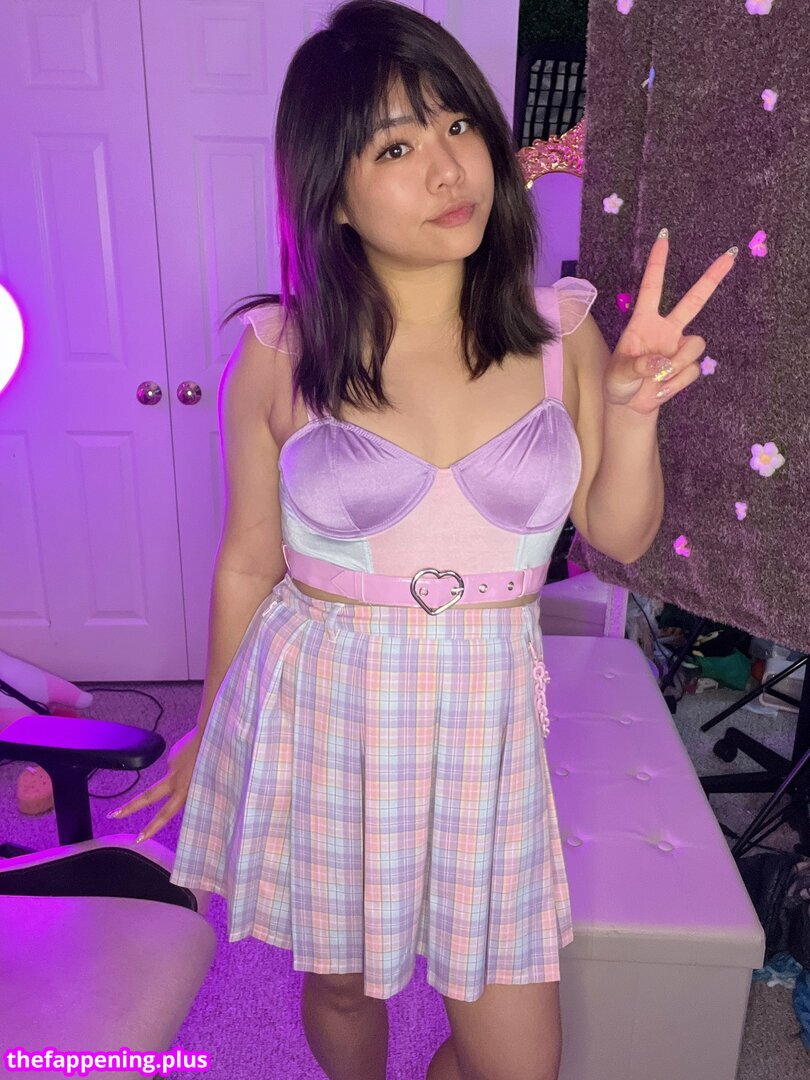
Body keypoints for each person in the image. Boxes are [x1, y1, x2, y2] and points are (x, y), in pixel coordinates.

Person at [108, 2, 737, 1078]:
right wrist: (212, 722)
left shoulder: (561, 334)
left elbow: (617, 532)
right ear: (332, 194)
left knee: (518, 1062)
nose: (449, 168)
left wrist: (633, 415)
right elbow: (250, 560)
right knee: (343, 986)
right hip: (326, 709)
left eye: (458, 126)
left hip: (489, 728)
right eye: (396, 147)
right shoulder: (280, 352)